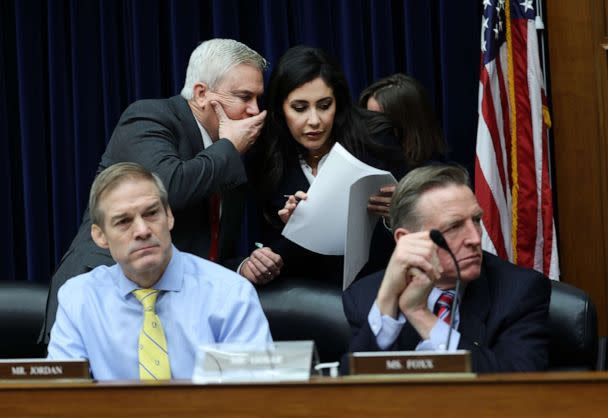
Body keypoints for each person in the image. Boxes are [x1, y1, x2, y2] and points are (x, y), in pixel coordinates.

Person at [41, 38, 283, 344]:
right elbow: (168, 188)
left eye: (258, 98)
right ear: (201, 93)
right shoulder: (149, 117)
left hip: (167, 307)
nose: (255, 111)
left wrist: (241, 266)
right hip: (101, 299)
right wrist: (230, 148)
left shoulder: (227, 157)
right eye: (244, 97)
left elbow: (198, 254)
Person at [46, 163, 272, 380]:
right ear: (100, 236)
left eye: (151, 213)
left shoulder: (229, 294)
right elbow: (60, 395)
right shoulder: (80, 298)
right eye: (124, 221)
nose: (142, 230)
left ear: (169, 216)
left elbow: (252, 395)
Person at [342, 164, 550, 373]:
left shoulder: (519, 291)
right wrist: (387, 300)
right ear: (407, 240)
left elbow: (518, 385)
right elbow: (348, 392)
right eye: (454, 227)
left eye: (476, 220)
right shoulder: (364, 297)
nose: (475, 238)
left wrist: (420, 314)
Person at [247, 46, 406, 283]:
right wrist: (294, 229)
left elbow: (420, 225)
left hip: (378, 287)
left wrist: (398, 212)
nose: (314, 121)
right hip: (307, 298)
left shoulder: (376, 139)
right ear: (281, 109)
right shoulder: (265, 156)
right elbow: (270, 254)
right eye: (299, 108)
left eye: (324, 106)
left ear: (337, 104)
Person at [360, 73, 446, 218]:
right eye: (367, 118)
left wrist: (409, 211)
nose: (372, 127)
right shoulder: (364, 166)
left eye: (379, 120)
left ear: (407, 124)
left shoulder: (441, 180)